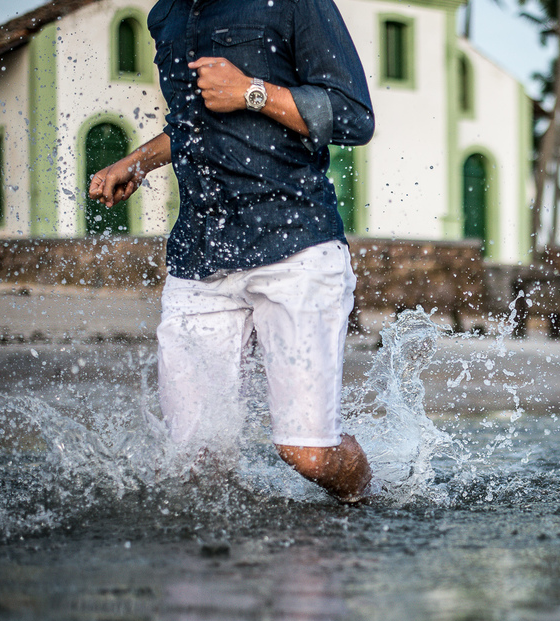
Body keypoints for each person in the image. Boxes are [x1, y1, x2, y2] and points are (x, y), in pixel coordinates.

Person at [88, 0, 375, 502]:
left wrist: (252, 92)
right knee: (194, 468)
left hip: (295, 248)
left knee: (307, 455)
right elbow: (194, 122)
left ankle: (372, 500)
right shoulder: (167, 16)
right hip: (199, 258)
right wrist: (137, 162)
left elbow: (354, 116)